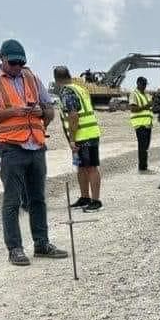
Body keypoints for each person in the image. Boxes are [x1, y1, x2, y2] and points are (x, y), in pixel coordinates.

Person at [0, 39, 67, 266]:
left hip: (36, 145)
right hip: (11, 147)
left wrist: (42, 112)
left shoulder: (32, 78)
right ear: (1, 58)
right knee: (12, 200)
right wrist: (12, 111)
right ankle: (15, 248)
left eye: (21, 63)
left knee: (37, 199)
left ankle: (42, 244)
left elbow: (50, 109)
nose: (17, 67)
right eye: (13, 63)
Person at [54, 66, 103, 212]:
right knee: (81, 167)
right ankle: (85, 197)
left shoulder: (67, 91)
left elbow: (73, 115)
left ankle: (95, 201)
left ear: (56, 80)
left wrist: (72, 139)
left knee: (90, 167)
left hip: (84, 135)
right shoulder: (79, 88)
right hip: (88, 133)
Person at [128, 76, 153, 172]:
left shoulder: (146, 95)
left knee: (146, 146)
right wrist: (147, 106)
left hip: (147, 124)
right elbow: (133, 108)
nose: (144, 86)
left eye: (145, 84)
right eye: (143, 84)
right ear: (138, 83)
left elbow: (149, 107)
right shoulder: (134, 94)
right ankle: (142, 167)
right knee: (142, 146)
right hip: (139, 124)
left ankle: (144, 166)